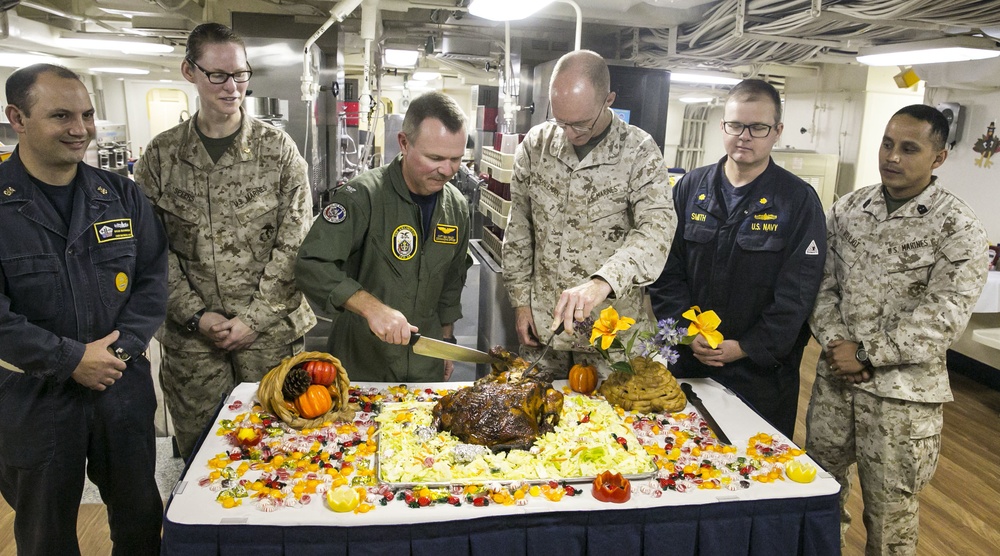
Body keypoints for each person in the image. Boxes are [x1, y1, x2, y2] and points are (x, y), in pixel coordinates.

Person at [0, 64, 168, 555]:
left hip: (121, 385)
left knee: (140, 520)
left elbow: (153, 280)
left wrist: (120, 350)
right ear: (18, 118)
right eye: (61, 116)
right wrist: (69, 359)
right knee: (44, 533)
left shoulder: (120, 196)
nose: (81, 129)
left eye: (87, 114)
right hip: (34, 395)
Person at [807, 104, 988, 554]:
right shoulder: (848, 209)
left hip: (901, 400)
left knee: (890, 521)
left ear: (938, 158)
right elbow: (819, 287)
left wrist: (865, 354)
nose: (892, 156)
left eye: (909, 148)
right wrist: (835, 346)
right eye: (888, 144)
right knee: (820, 501)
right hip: (835, 386)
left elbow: (944, 316)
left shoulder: (957, 227)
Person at [134, 23, 316, 459]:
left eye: (240, 74)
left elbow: (296, 243)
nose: (232, 86)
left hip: (269, 334)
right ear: (189, 72)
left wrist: (253, 319)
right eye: (218, 75)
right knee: (204, 453)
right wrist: (196, 316)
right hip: (193, 341)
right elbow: (151, 248)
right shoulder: (161, 157)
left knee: (283, 447)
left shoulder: (278, 150)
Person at [647, 78, 826, 438]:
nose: (745, 136)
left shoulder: (797, 201)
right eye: (736, 125)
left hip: (759, 373)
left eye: (758, 127)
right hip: (690, 361)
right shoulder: (690, 188)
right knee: (682, 458)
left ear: (776, 132)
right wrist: (685, 331)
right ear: (722, 127)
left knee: (756, 468)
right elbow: (666, 269)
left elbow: (798, 293)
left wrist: (745, 348)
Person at [502, 50, 676, 379]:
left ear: (608, 100)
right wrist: (520, 302)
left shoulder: (639, 152)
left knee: (608, 429)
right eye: (561, 121)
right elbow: (520, 231)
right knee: (536, 421)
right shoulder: (536, 145)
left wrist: (603, 282)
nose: (569, 133)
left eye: (580, 124)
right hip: (545, 331)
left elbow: (656, 232)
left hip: (610, 334)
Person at [295, 91, 471, 382]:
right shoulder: (362, 197)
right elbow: (311, 263)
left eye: (456, 159)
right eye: (435, 158)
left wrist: (446, 344)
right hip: (362, 364)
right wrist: (370, 307)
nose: (447, 170)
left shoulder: (456, 207)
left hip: (423, 366)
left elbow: (452, 281)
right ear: (404, 143)